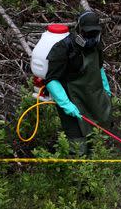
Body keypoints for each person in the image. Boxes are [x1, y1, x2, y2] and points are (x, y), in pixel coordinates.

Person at [44, 10, 112, 155]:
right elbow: (51, 80)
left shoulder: (97, 44)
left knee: (98, 143)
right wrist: (66, 105)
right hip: (73, 104)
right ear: (79, 29)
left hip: (95, 100)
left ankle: (96, 174)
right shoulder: (64, 48)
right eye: (87, 33)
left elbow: (99, 68)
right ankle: (78, 175)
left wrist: (106, 90)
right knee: (78, 149)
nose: (91, 36)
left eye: (94, 33)